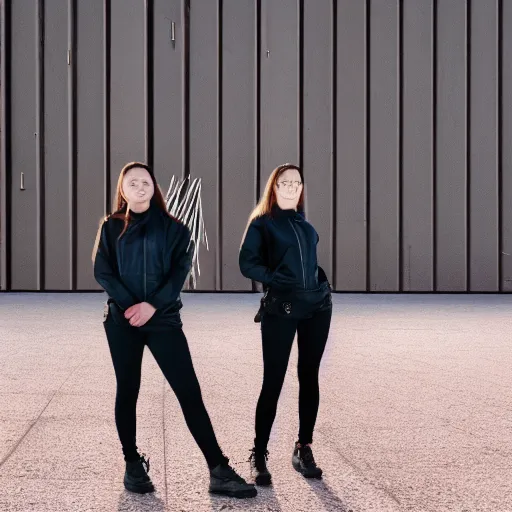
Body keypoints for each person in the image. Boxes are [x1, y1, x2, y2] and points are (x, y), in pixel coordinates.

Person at [92, 162, 256, 499]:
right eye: (131, 182)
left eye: (145, 181)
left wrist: (151, 305)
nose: (139, 187)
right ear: (122, 190)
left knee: (188, 392)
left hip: (163, 319)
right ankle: (132, 465)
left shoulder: (176, 230)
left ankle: (218, 469)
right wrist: (129, 306)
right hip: (123, 322)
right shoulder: (110, 228)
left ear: (154, 187)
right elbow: (103, 272)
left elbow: (178, 276)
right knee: (128, 390)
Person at [239, 163, 332, 485]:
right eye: (284, 182)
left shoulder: (304, 226)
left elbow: (309, 264)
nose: (291, 187)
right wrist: (273, 278)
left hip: (318, 306)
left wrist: (321, 283)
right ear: (273, 187)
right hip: (282, 307)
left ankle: (303, 447)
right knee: (273, 380)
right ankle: (259, 453)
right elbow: (246, 262)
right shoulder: (262, 223)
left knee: (309, 376)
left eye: (296, 182)